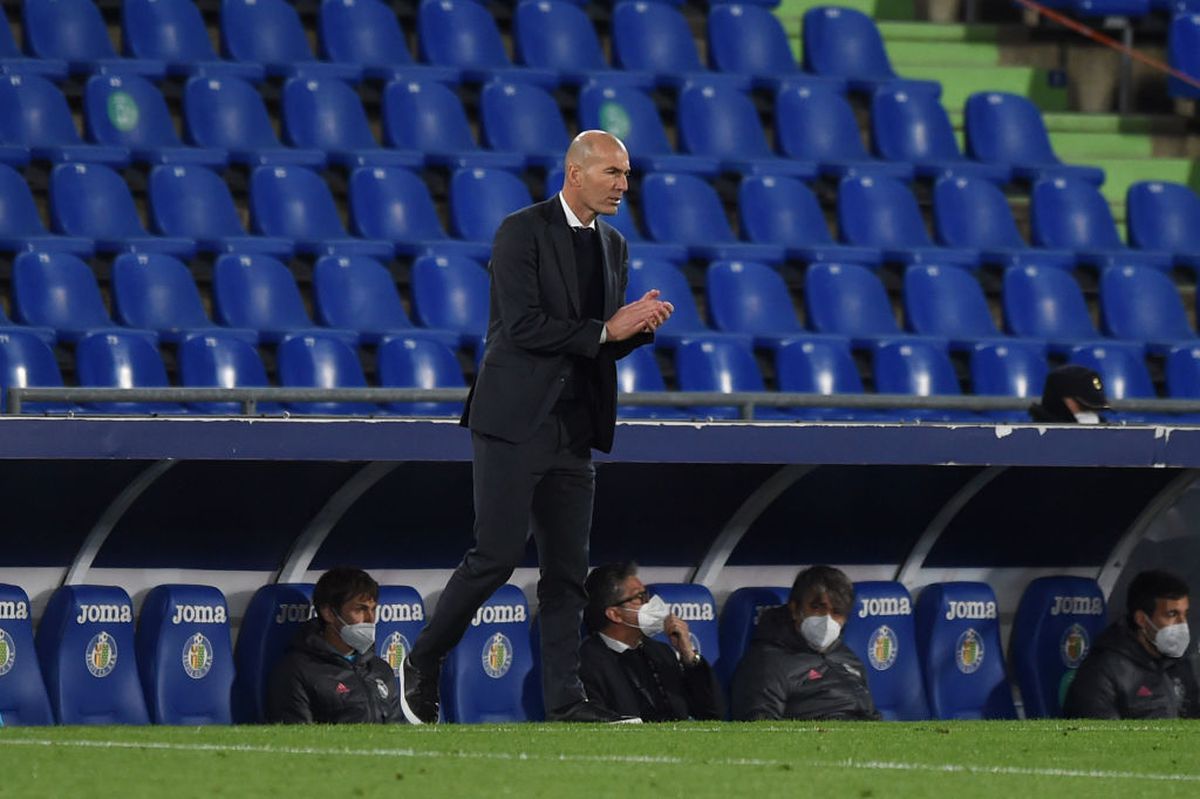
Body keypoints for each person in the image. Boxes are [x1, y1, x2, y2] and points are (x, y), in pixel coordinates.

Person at [399, 131, 674, 725]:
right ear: (575, 173)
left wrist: (634, 329)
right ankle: (422, 660)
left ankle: (567, 704)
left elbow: (592, 347)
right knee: (495, 558)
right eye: (612, 173)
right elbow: (523, 328)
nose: (624, 185)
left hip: (574, 429)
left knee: (568, 576)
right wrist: (607, 330)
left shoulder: (616, 245)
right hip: (513, 421)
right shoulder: (521, 230)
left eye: (627, 175)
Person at [576, 563, 723, 722]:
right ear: (615, 614)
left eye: (647, 596)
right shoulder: (585, 663)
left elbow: (712, 714)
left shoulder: (662, 652)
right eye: (640, 597)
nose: (651, 603)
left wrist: (689, 656)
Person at [732, 565, 879, 721]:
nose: (827, 619)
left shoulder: (847, 657)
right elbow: (758, 729)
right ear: (795, 609)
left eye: (836, 612)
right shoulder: (767, 663)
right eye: (817, 608)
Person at [267, 567, 404, 724]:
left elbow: (398, 729)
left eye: (373, 609)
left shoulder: (380, 668)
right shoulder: (296, 671)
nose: (370, 618)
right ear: (329, 613)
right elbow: (296, 740)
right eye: (360, 609)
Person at [1063, 569, 1200, 718]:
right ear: (1142, 619)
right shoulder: (1102, 673)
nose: (1182, 624)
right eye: (1172, 614)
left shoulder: (1177, 664)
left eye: (1184, 614)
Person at [1028, 364, 1109, 424]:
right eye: (1084, 408)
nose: (1093, 414)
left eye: (1097, 409)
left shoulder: (1107, 440)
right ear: (1060, 402)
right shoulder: (1031, 441)